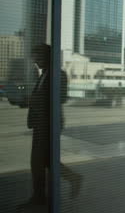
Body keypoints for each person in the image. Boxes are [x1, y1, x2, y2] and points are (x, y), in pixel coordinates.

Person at [26, 43, 82, 205]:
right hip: (40, 124)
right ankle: (41, 195)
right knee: (43, 161)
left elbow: (61, 98)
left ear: (47, 56)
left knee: (39, 161)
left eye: (38, 57)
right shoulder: (43, 75)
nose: (35, 61)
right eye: (34, 57)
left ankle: (40, 197)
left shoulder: (59, 74)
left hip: (48, 124)